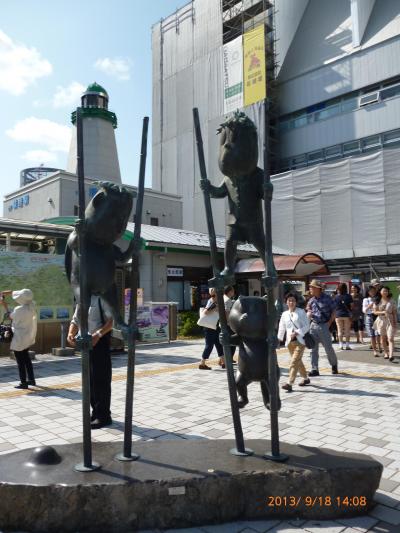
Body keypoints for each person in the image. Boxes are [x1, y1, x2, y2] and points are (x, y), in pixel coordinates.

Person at [67, 296, 114, 429]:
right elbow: (75, 320)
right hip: (85, 344)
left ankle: (104, 416)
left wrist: (98, 335)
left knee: (101, 380)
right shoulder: (81, 299)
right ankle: (96, 412)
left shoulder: (101, 298)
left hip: (100, 342)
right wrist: (70, 333)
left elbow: (111, 321)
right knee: (90, 381)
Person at [0, 289, 37, 389]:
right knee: (26, 359)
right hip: (27, 336)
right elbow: (23, 295)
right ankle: (31, 380)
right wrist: (6, 293)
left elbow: (10, 316)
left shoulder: (19, 309)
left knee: (20, 361)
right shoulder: (32, 305)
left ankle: (23, 383)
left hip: (19, 338)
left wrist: (4, 305)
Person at [277, 292, 311, 392]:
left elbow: (307, 326)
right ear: (286, 302)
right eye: (289, 300)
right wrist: (279, 339)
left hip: (300, 341)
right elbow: (282, 327)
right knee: (298, 362)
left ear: (296, 302)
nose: (291, 302)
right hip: (289, 343)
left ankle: (289, 383)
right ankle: (306, 378)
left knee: (294, 361)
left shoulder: (301, 312)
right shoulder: (284, 314)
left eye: (293, 301)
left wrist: (297, 332)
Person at [306, 279, 339, 376]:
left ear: (318, 288)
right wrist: (308, 311)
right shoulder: (311, 300)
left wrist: (329, 323)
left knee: (328, 348)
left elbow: (334, 311)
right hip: (313, 325)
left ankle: (334, 364)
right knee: (313, 348)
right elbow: (308, 309)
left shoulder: (327, 298)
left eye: (312, 287)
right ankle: (314, 369)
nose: (310, 289)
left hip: (324, 325)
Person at [198, 288, 223, 370]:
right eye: (213, 295)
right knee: (209, 346)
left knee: (219, 344)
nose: (214, 296)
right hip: (209, 327)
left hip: (215, 326)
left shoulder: (216, 302)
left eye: (215, 295)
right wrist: (215, 308)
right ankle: (202, 363)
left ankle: (223, 361)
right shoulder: (212, 302)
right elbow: (206, 312)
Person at [373, 286, 397, 362]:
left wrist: (395, 322)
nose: (385, 292)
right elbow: (374, 312)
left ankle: (391, 355)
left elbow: (394, 312)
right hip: (381, 321)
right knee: (383, 338)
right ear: (380, 292)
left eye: (386, 291)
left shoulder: (392, 301)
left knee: (390, 338)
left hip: (390, 320)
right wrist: (382, 312)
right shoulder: (377, 300)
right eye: (383, 291)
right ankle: (386, 353)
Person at [334, 283, 353, 350]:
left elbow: (334, 306)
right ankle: (347, 345)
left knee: (339, 330)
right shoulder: (349, 296)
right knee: (347, 330)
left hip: (338, 315)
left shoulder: (336, 297)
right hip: (347, 315)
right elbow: (352, 305)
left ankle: (341, 345)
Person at [363, 285, 380, 357]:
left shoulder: (379, 298)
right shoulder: (366, 299)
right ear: (368, 292)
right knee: (372, 335)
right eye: (371, 291)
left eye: (374, 291)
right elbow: (364, 310)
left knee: (378, 334)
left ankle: (379, 346)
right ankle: (375, 351)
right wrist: (371, 304)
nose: (372, 292)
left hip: (377, 317)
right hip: (369, 317)